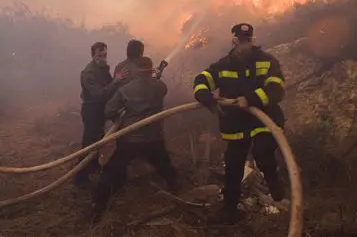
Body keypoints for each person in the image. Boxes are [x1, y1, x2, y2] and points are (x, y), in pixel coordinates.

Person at [192, 23, 286, 225]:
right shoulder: (223, 64)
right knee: (233, 167)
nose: (244, 45)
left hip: (264, 119)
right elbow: (201, 79)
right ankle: (229, 209)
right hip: (236, 124)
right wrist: (206, 98)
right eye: (240, 41)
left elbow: (277, 89)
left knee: (263, 152)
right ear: (233, 41)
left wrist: (250, 99)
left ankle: (274, 182)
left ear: (252, 41)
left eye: (247, 40)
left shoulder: (267, 61)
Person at [91, 56, 179, 223]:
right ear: (151, 69)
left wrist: (120, 114)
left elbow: (108, 111)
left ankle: (98, 208)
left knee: (110, 171)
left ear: (135, 71)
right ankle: (176, 190)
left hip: (131, 140)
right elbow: (158, 89)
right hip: (154, 138)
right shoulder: (160, 86)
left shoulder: (126, 90)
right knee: (165, 166)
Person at [75, 42, 128, 187]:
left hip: (100, 110)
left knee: (98, 141)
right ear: (93, 55)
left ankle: (93, 167)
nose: (103, 58)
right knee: (88, 144)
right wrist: (116, 81)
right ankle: (80, 177)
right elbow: (99, 94)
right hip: (91, 111)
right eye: (100, 55)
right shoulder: (87, 73)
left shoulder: (103, 69)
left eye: (105, 55)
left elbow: (110, 88)